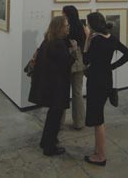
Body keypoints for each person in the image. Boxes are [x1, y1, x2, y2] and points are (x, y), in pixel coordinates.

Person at [83, 12, 128, 166]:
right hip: (106, 80)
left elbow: (85, 60)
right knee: (99, 117)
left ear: (91, 25)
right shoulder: (111, 38)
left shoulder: (96, 41)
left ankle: (101, 156)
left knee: (98, 120)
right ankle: (98, 151)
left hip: (95, 82)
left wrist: (87, 41)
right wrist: (112, 66)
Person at [28, 16, 75, 156]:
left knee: (52, 115)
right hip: (57, 87)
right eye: (66, 25)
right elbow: (65, 66)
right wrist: (74, 52)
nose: (68, 28)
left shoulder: (47, 40)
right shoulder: (59, 44)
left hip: (48, 84)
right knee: (55, 117)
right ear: (59, 27)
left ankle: (46, 141)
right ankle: (49, 148)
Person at [62, 5, 86, 130]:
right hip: (79, 61)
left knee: (63, 92)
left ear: (66, 14)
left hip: (66, 61)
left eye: (63, 13)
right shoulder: (81, 26)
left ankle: (59, 123)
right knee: (77, 93)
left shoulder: (65, 28)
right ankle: (79, 122)